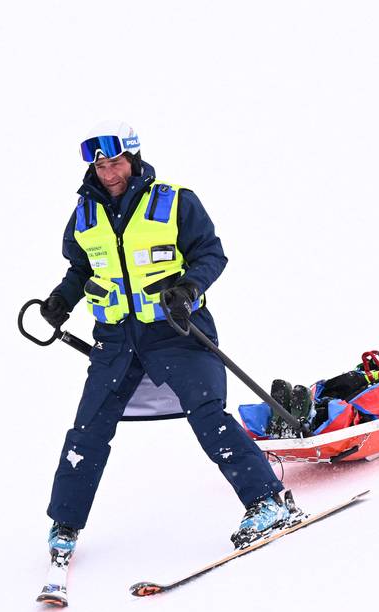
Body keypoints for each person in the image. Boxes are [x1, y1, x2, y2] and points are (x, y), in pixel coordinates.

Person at [38, 121, 291, 554]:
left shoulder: (173, 202)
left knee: (208, 413)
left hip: (175, 332)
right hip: (115, 340)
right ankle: (65, 524)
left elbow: (210, 253)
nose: (108, 173)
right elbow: (81, 269)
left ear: (132, 159)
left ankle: (270, 500)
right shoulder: (84, 213)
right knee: (88, 429)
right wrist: (62, 299)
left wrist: (189, 288)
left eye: (115, 162)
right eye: (100, 165)